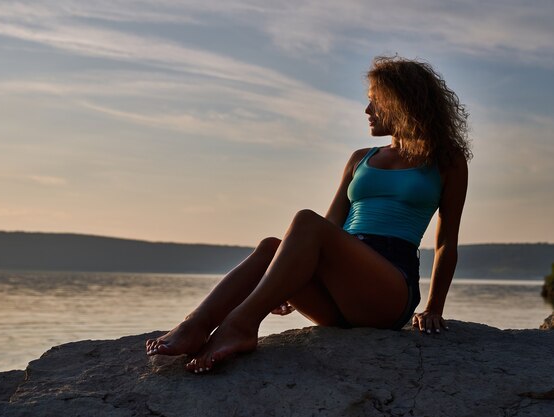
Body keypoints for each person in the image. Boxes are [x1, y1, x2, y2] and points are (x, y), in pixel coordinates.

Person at [145, 55, 471, 374]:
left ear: (400, 101)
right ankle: (196, 325)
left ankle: (240, 326)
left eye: (376, 101)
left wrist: (434, 307)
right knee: (272, 248)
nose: (367, 110)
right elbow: (330, 228)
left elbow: (446, 242)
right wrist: (283, 279)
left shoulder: (446, 160)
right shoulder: (361, 158)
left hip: (388, 291)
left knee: (304, 220)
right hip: (337, 297)